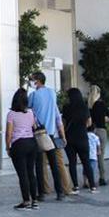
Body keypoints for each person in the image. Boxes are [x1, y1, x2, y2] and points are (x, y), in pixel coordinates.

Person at [28, 72, 73, 200]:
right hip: (51, 134)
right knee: (54, 164)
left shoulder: (34, 95)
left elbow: (28, 108)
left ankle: (41, 193)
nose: (31, 82)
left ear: (37, 81)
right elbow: (56, 114)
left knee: (39, 164)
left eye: (32, 80)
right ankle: (60, 192)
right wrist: (62, 134)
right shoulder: (52, 93)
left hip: (38, 134)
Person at [6, 88, 39, 209]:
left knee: (22, 174)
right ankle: (35, 200)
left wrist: (8, 147)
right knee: (31, 172)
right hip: (31, 143)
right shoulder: (30, 112)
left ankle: (26, 201)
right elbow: (34, 126)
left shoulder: (11, 114)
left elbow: (9, 133)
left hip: (18, 144)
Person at [61, 88, 96, 192]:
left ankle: (75, 186)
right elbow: (89, 122)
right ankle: (92, 186)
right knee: (86, 161)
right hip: (82, 137)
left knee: (72, 162)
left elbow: (63, 122)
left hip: (70, 137)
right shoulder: (84, 107)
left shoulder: (66, 107)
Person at [88, 85, 109, 186]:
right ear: (99, 93)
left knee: (89, 155)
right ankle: (102, 177)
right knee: (100, 155)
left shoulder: (88, 105)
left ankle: (87, 179)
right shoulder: (101, 104)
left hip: (90, 132)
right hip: (101, 130)